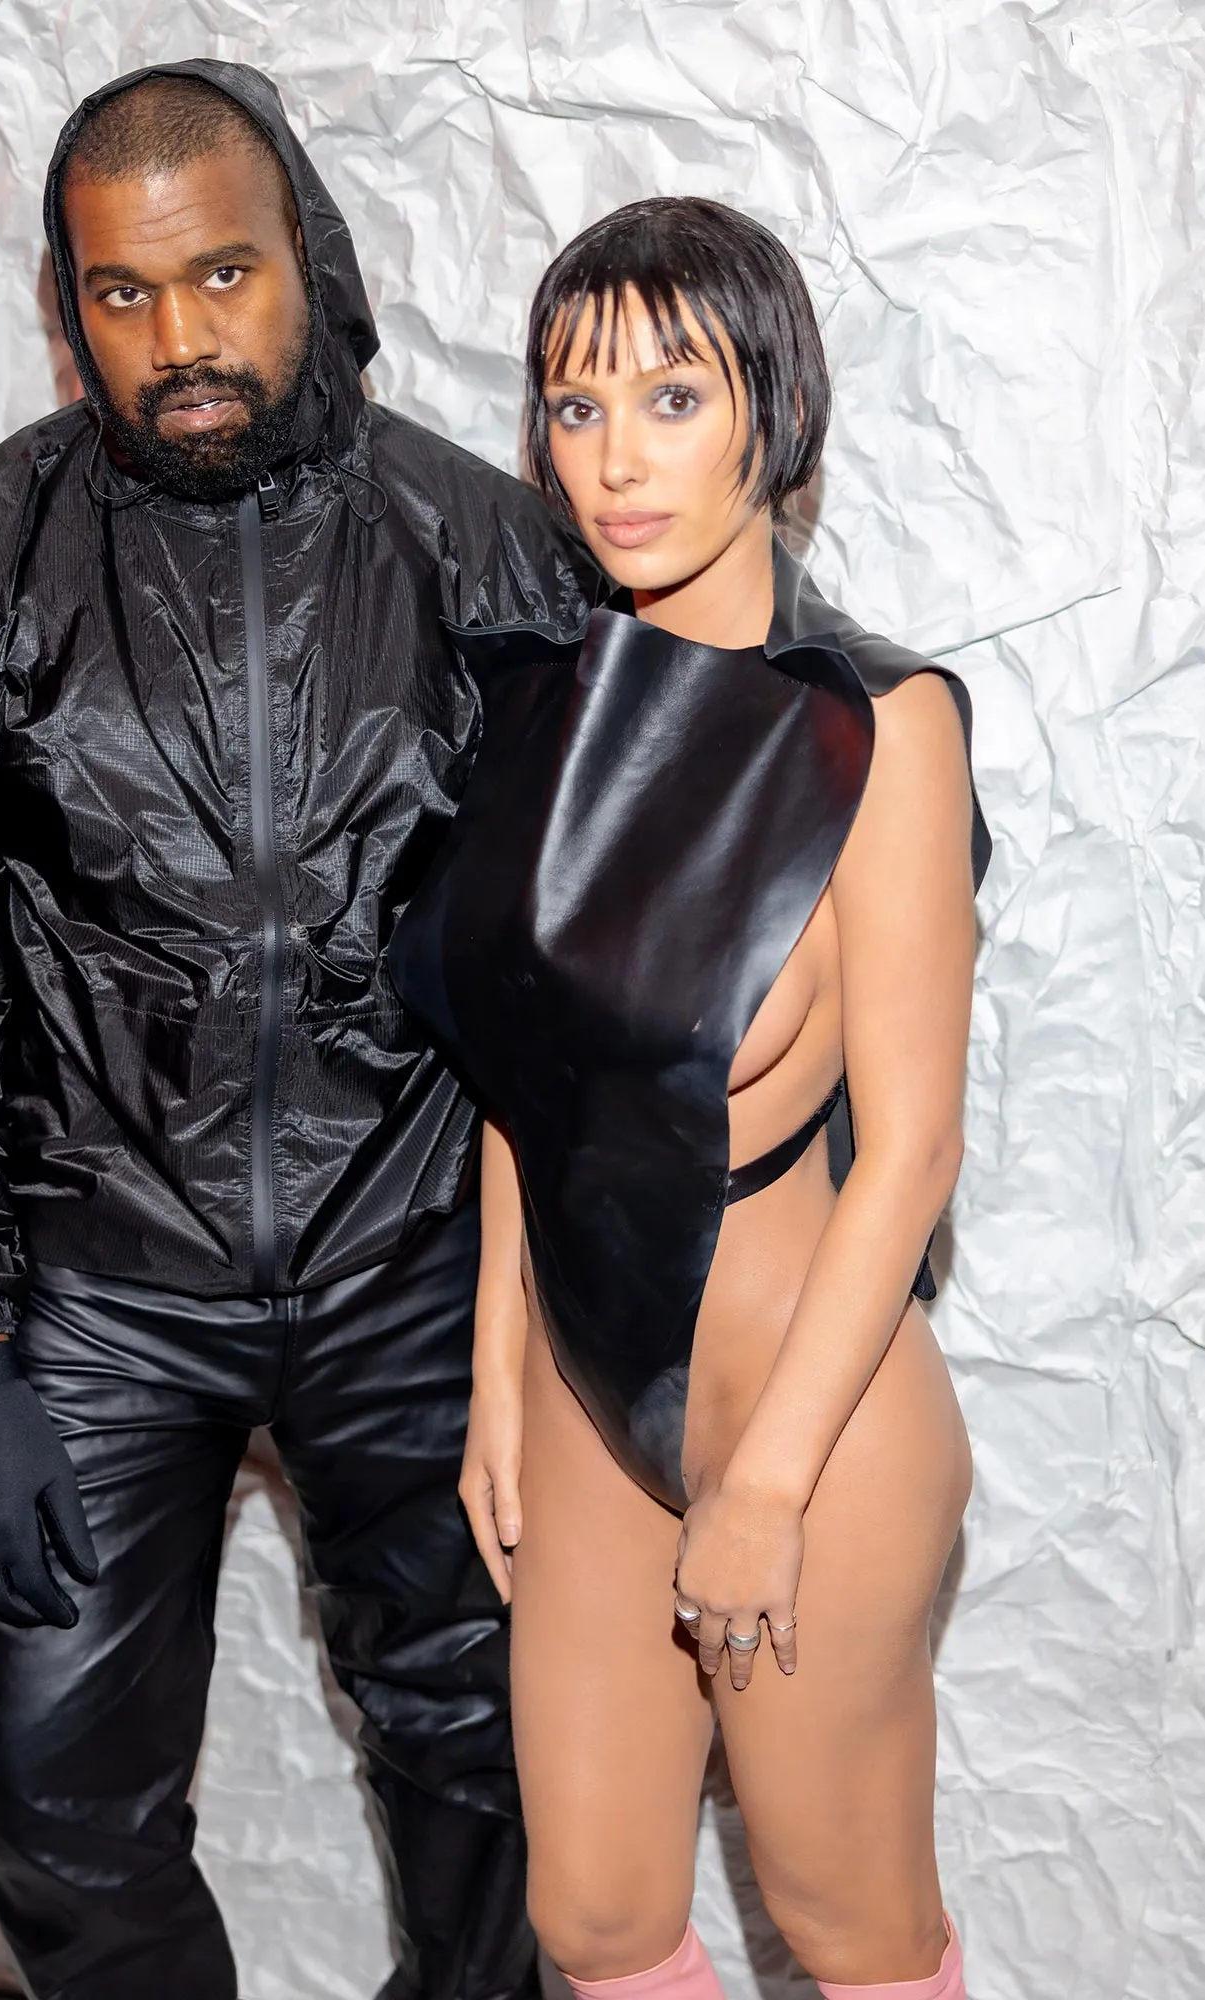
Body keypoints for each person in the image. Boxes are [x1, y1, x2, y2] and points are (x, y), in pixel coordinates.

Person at [0, 59, 598, 2000]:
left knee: (499, 1769)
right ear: (67, 304)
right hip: (97, 1286)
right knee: (51, 1803)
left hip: (420, 1264)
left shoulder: (492, 555)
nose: (180, 344)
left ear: (307, 256)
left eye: (221, 275)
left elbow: (607, 955)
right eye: (123, 294)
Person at [390, 198, 990, 2000]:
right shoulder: (537, 699)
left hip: (813, 1402)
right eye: (576, 407)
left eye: (672, 398)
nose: (616, 459)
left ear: (772, 409)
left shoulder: (876, 723)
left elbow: (914, 1149)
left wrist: (770, 1483)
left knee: (847, 1922)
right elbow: (525, 1069)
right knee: (591, 1916)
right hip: (589, 1389)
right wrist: (500, 1374)